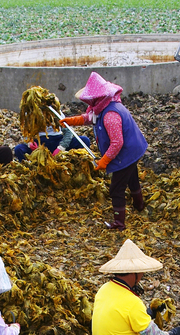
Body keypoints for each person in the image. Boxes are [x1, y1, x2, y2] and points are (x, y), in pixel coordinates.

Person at [61, 72, 147, 231]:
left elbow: (117, 143)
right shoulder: (104, 106)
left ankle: (119, 223)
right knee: (132, 177)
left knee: (116, 189)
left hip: (127, 153)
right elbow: (89, 118)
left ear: (97, 98)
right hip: (134, 149)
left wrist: (104, 161)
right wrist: (71, 121)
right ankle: (139, 204)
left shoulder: (110, 115)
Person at [14, 125, 91, 162]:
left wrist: (61, 147)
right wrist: (30, 143)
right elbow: (26, 132)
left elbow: (68, 132)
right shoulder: (31, 113)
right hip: (39, 144)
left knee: (84, 140)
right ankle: (30, 170)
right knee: (19, 149)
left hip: (58, 141)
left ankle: (76, 166)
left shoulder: (55, 111)